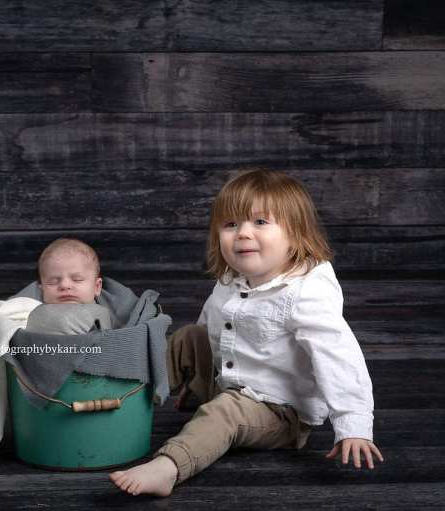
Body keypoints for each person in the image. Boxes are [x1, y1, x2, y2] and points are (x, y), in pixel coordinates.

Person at [110, 168, 384, 496]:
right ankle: (120, 398)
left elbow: (338, 356)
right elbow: (210, 323)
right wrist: (195, 377)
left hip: (278, 411)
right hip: (229, 380)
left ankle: (168, 467)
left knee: (225, 410)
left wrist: (353, 425)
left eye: (260, 222)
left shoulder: (305, 292)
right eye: (230, 225)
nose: (242, 233)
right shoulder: (231, 279)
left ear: (295, 234)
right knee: (189, 337)